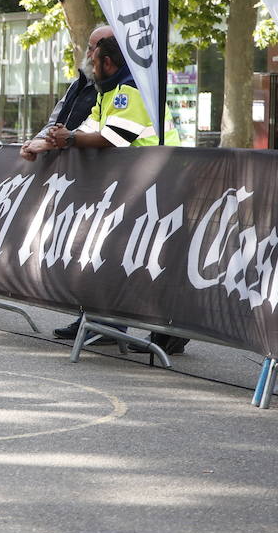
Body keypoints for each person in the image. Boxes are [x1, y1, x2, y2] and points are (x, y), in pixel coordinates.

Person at [44, 34, 184, 350]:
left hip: (157, 184)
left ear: (108, 62)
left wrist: (69, 140)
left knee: (146, 260)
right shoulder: (108, 91)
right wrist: (59, 137)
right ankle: (104, 322)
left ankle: (168, 330)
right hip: (133, 185)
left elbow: (116, 138)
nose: (89, 61)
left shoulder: (130, 88)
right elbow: (92, 127)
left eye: (93, 57)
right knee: (111, 255)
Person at [19, 25, 110, 161]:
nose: (90, 55)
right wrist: (36, 142)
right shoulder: (79, 84)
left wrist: (57, 141)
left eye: (95, 49)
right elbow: (55, 123)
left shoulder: (120, 88)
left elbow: (111, 136)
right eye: (89, 48)